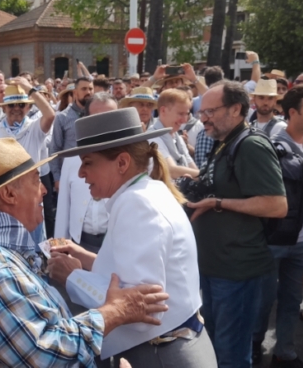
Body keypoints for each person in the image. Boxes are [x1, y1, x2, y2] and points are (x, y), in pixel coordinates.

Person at [0, 137, 170, 367]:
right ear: (9, 194)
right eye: (36, 181)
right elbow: (48, 354)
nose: (44, 190)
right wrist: (115, 312)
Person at [47, 107, 216, 367]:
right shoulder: (145, 193)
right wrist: (88, 258)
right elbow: (128, 274)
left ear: (122, 162)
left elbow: (141, 309)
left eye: (88, 162)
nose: (81, 173)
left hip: (162, 354)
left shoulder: (137, 204)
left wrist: (73, 277)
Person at [187, 80, 287, 368]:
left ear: (236, 109)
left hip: (237, 271)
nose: (203, 117)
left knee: (231, 354)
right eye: (201, 111)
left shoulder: (251, 145)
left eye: (210, 111)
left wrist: (217, 203)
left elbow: (277, 205)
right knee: (214, 348)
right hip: (215, 267)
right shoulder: (224, 143)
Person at [252, 85, 303, 368]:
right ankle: (254, 345)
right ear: (292, 112)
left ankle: (285, 352)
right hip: (272, 238)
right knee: (263, 300)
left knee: (292, 300)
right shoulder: (271, 144)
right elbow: (269, 193)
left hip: (301, 238)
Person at [0, 78, 56, 242]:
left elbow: (50, 115)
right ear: (4, 108)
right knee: (10, 248)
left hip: (31, 198)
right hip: (5, 199)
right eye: (12, 105)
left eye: (21, 105)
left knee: (35, 250)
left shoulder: (34, 129)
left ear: (28, 107)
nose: (16, 109)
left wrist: (31, 89)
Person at [54, 93, 117, 253]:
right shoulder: (72, 159)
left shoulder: (129, 160)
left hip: (117, 246)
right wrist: (59, 250)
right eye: (96, 119)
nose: (103, 126)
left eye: (109, 118)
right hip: (79, 245)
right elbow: (63, 209)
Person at [51, 77, 93, 189]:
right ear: (75, 92)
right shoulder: (62, 117)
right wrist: (57, 178)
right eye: (84, 89)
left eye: (90, 89)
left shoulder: (97, 114)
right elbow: (55, 149)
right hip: (71, 175)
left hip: (95, 173)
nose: (88, 92)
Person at [149, 89, 200, 179]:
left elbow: (191, 165)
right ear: (163, 110)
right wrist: (204, 176)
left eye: (187, 114)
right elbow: (170, 170)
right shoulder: (152, 137)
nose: (184, 120)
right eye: (180, 114)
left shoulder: (177, 137)